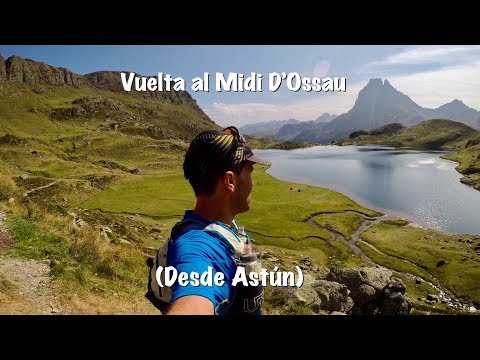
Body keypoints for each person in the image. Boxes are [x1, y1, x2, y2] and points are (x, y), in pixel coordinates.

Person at [163, 126, 271, 315]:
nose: (253, 182)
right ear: (230, 181)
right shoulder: (197, 247)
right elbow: (194, 302)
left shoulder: (224, 230)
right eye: (250, 171)